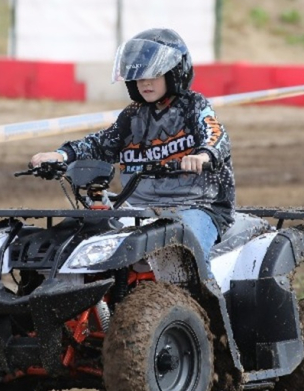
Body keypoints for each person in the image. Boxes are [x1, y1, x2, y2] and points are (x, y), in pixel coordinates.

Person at [30, 28, 235, 257]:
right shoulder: (133, 115)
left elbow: (215, 134)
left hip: (196, 206)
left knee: (183, 249)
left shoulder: (194, 106)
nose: (144, 83)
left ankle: (197, 293)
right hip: (140, 208)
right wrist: (62, 155)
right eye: (139, 77)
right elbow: (100, 144)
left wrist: (204, 155)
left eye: (153, 75)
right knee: (85, 235)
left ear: (174, 73)